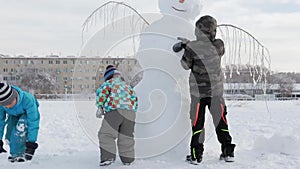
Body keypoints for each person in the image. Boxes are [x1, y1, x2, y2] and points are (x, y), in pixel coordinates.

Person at [174, 15, 236, 164]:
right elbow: (208, 48)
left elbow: (184, 65)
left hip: (198, 95)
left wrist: (186, 47)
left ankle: (196, 155)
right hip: (216, 94)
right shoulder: (219, 45)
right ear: (213, 31)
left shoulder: (192, 47)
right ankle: (228, 152)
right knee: (221, 122)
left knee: (198, 124)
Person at [95, 65, 138, 166]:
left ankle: (107, 158)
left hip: (114, 110)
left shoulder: (109, 83)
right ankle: (128, 160)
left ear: (108, 77)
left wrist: (100, 106)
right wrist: (133, 110)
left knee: (106, 134)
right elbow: (135, 99)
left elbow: (102, 94)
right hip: (130, 113)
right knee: (126, 136)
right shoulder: (127, 85)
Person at [0, 82, 40, 162]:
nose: (8, 107)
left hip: (27, 114)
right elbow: (0, 121)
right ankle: (15, 153)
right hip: (13, 115)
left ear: (14, 97)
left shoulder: (28, 100)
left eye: (10, 103)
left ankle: (21, 153)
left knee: (20, 128)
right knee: (11, 132)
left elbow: (33, 122)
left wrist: (31, 144)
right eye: (5, 105)